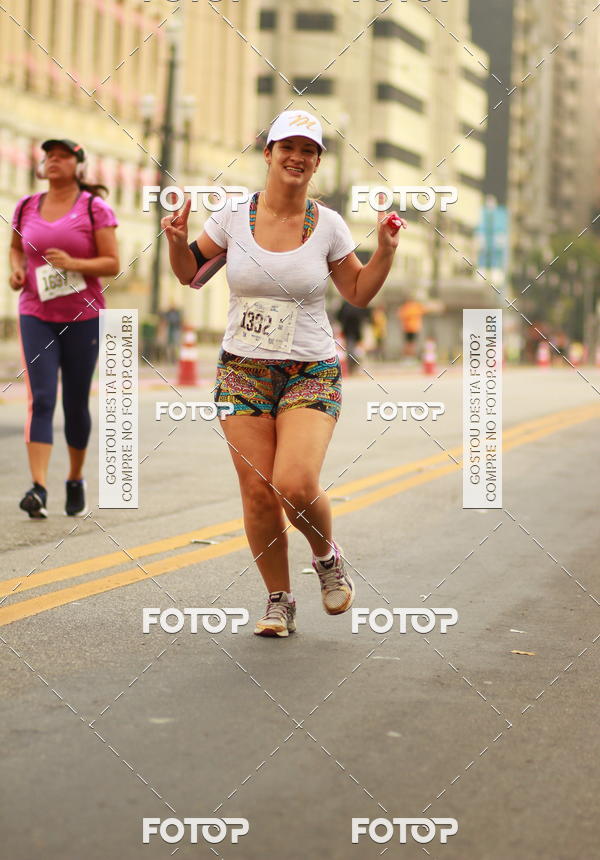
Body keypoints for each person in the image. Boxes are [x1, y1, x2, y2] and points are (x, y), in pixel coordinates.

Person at [162, 110, 406, 637]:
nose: (297, 157)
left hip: (309, 370)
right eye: (286, 147)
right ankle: (279, 601)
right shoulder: (230, 216)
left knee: (293, 483)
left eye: (308, 150)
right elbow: (190, 276)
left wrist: (385, 252)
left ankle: (326, 557)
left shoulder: (330, 225)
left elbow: (359, 292)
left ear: (316, 163)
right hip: (243, 370)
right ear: (268, 152)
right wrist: (177, 240)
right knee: (256, 491)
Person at [9, 139, 119, 518]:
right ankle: (38, 487)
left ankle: (74, 478)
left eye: (62, 156)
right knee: (40, 398)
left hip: (82, 316)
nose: (53, 161)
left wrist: (75, 262)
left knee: (74, 402)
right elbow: (14, 247)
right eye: (49, 156)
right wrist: (17, 269)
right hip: (35, 312)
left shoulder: (94, 208)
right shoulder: (25, 206)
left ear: (78, 165)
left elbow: (112, 263)